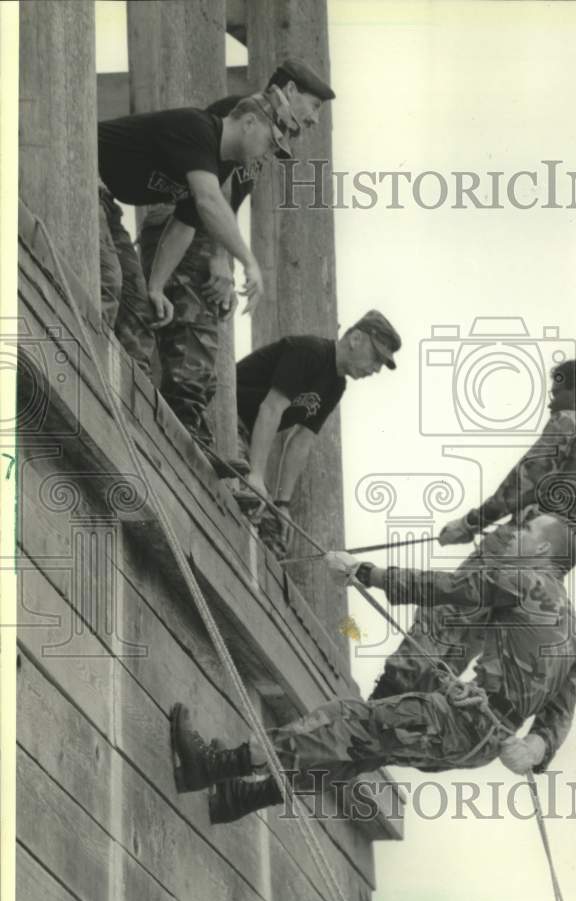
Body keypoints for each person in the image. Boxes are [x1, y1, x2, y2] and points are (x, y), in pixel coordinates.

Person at [169, 511, 576, 823]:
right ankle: (240, 800)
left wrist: (364, 572)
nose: (512, 534)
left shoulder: (527, 580)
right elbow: (561, 710)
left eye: (526, 531)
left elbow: (448, 589)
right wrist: (538, 747)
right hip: (478, 744)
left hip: (460, 722)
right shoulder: (575, 633)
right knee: (359, 752)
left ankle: (214, 768)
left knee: (345, 722)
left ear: (543, 550)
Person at [371, 358, 576, 698]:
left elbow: (524, 480)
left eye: (556, 389)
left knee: (448, 610)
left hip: (525, 544)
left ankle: (386, 696)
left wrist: (471, 522)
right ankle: (414, 712)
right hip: (547, 572)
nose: (550, 397)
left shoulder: (568, 422)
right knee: (474, 633)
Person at [137, 58, 336, 449]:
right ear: (290, 91)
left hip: (200, 230)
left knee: (199, 326)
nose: (313, 120)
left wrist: (221, 257)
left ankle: (184, 423)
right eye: (313, 107)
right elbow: (211, 193)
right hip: (188, 227)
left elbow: (231, 198)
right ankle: (179, 431)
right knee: (193, 328)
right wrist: (218, 257)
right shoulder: (241, 113)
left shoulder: (267, 132)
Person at [97, 88, 294, 378]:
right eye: (270, 143)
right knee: (106, 279)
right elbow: (208, 202)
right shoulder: (198, 129)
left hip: (106, 201)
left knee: (137, 306)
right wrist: (249, 262)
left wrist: (156, 287)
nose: (268, 155)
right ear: (249, 123)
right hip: (80, 171)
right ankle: (76, 366)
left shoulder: (217, 164)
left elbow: (184, 225)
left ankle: (118, 404)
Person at [233, 311, 401, 557]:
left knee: (274, 535)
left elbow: (302, 440)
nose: (376, 369)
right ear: (355, 339)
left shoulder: (336, 385)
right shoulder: (309, 352)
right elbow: (271, 408)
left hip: (245, 436)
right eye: (376, 358)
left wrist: (283, 503)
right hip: (225, 412)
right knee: (249, 494)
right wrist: (256, 474)